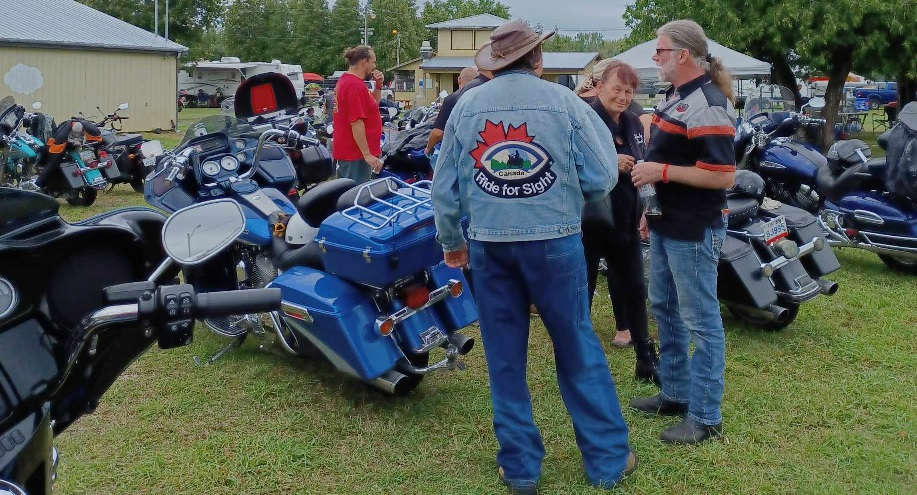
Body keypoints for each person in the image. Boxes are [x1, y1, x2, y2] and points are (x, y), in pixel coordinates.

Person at [432, 20, 636, 493]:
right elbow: (604, 173)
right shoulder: (565, 102)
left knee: (504, 356)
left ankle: (520, 468)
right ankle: (606, 460)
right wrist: (568, 194)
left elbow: (444, 188)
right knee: (578, 346)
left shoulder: (466, 106)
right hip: (557, 243)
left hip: (489, 246)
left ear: (496, 64)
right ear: (538, 59)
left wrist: (452, 243)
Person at [629, 19, 737, 445]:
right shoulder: (679, 96)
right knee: (665, 309)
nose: (655, 58)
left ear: (683, 56)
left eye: (660, 51)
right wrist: (650, 211)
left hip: (693, 229)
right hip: (666, 222)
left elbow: (723, 175)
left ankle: (706, 416)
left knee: (702, 321)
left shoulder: (707, 103)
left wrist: (662, 171)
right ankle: (674, 393)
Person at [580, 60, 660, 386]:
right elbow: (567, 164)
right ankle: (579, 361)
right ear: (599, 87)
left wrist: (647, 208)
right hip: (586, 220)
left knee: (635, 287)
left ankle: (645, 356)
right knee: (581, 290)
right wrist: (609, 163)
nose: (624, 96)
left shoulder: (633, 123)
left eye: (629, 91)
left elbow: (641, 167)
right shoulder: (583, 119)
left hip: (624, 216)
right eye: (617, 89)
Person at [331, 45, 385, 184]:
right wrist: (367, 154)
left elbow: (373, 104)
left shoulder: (350, 81)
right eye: (373, 62)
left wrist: (378, 86)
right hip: (355, 155)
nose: (374, 66)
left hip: (353, 153)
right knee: (355, 197)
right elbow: (356, 122)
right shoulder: (354, 86)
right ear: (364, 62)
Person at [424, 66, 492, 156]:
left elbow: (438, 133)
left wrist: (428, 149)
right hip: (483, 147)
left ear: (459, 80)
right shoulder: (486, 96)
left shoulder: (453, 98)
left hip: (458, 151)